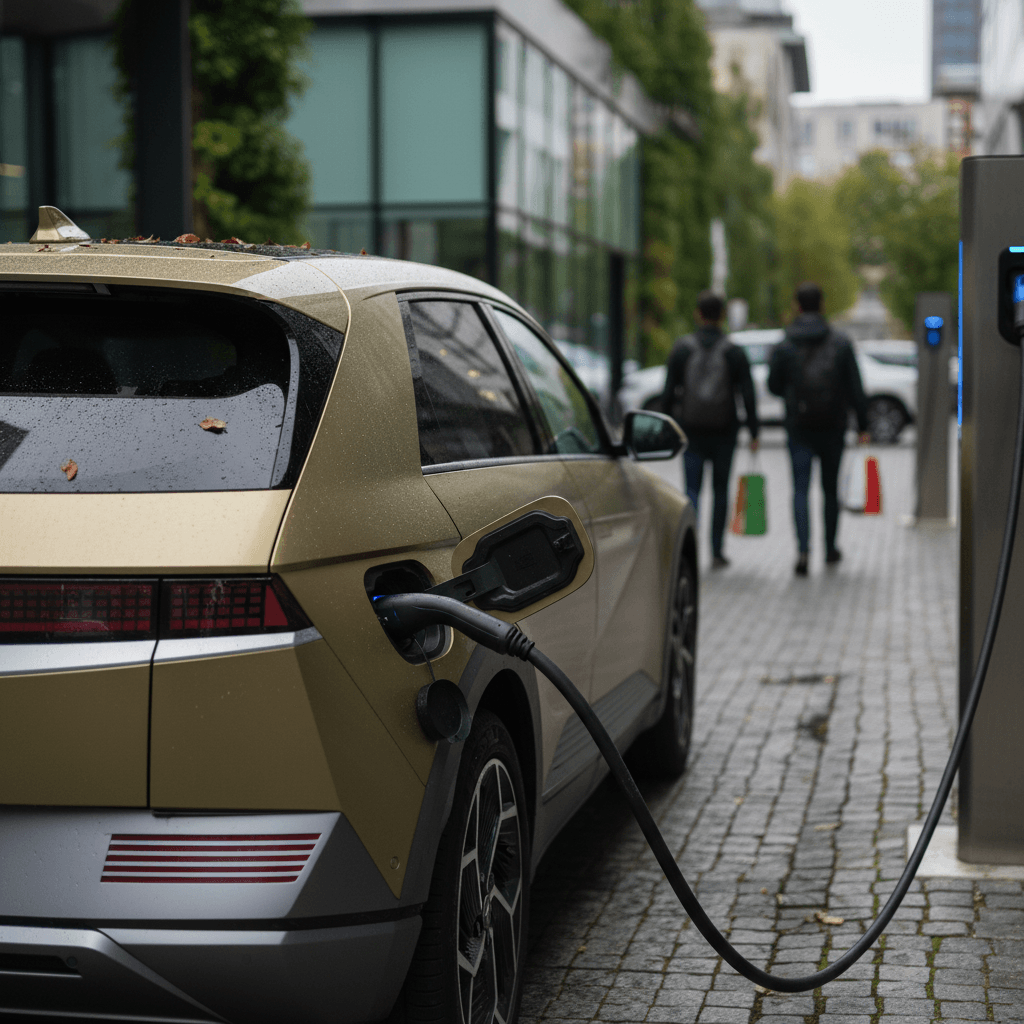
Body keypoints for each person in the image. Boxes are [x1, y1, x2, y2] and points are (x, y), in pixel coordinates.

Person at [767, 281, 870, 577]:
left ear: (797, 306)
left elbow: (773, 385)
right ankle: (830, 548)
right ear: (822, 305)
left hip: (798, 427)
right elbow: (855, 387)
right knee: (829, 489)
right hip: (833, 426)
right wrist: (862, 424)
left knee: (800, 489)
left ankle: (802, 550)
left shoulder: (785, 343)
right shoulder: (840, 341)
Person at [662, 290, 759, 568]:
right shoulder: (734, 351)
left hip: (691, 431)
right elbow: (748, 394)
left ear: (698, 314)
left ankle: (690, 547)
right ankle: (717, 550)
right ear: (723, 315)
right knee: (720, 490)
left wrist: (664, 427)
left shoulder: (682, 348)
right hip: (725, 431)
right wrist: (753, 430)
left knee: (692, 490)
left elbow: (669, 392)